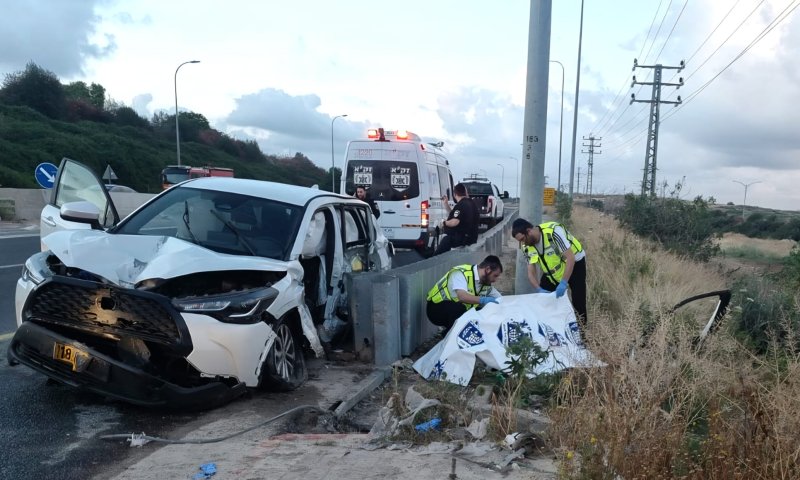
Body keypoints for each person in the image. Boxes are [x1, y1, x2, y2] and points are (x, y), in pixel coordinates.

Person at [511, 218, 588, 326]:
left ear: (529, 231)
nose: (522, 243)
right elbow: (530, 272)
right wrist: (538, 288)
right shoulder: (526, 247)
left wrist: (563, 283)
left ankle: (582, 333)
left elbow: (570, 258)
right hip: (553, 270)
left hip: (575, 264)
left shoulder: (553, 232)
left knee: (578, 303)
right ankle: (552, 328)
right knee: (543, 302)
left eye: (522, 239)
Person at [425, 255, 503, 335]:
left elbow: (501, 299)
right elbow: (462, 297)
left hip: (453, 310)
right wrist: (483, 300)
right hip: (435, 309)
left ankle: (451, 333)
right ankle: (452, 336)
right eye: (495, 276)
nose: (495, 280)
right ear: (488, 270)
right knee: (459, 308)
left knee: (482, 313)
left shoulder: (485, 284)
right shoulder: (461, 273)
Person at [434, 183, 477, 255]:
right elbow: (456, 215)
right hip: (471, 237)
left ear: (454, 194)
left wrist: (443, 223)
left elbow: (455, 221)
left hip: (463, 238)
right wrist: (446, 204)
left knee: (446, 240)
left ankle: (434, 260)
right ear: (465, 192)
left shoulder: (461, 205)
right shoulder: (471, 203)